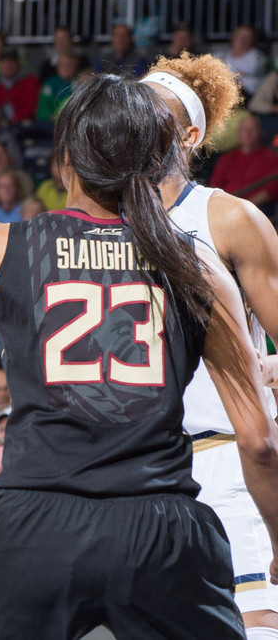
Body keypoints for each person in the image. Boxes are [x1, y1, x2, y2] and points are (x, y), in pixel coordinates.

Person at [0, 82, 278, 637]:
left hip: (35, 522)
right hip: (158, 525)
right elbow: (261, 442)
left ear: (66, 163)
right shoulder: (197, 262)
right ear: (158, 162)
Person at [142, 52, 278, 634]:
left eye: (151, 111)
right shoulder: (102, 224)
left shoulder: (227, 217)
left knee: (255, 627)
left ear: (190, 133)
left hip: (229, 456)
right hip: (142, 472)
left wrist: (270, 367)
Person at [210, 113, 278, 209]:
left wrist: (244, 207)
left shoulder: (270, 157)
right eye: (244, 129)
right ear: (239, 133)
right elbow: (215, 185)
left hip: (258, 209)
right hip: (227, 207)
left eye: (252, 129)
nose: (248, 133)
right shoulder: (226, 158)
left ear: (260, 132)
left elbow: (272, 189)